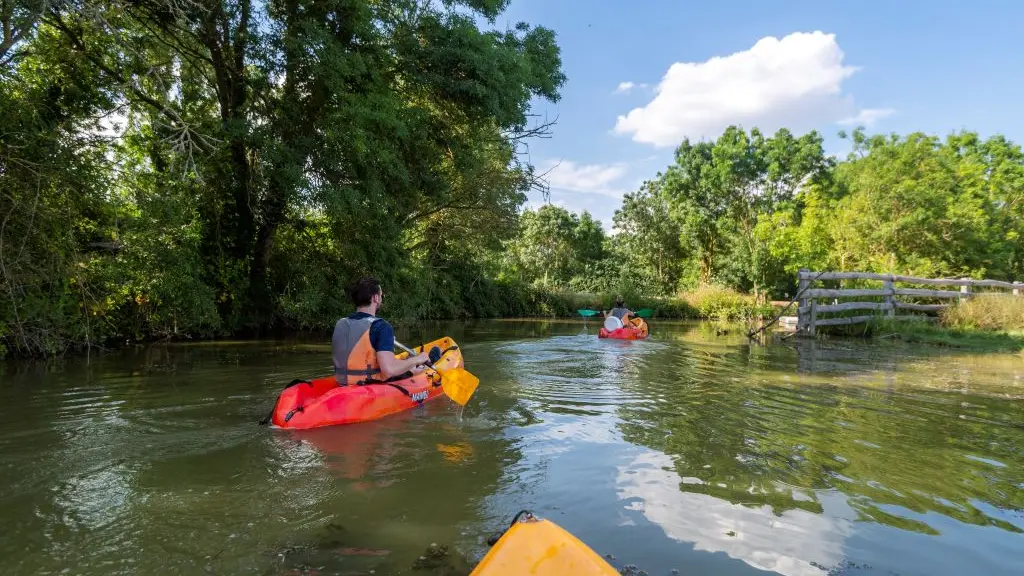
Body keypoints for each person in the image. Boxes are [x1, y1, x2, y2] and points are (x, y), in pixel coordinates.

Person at [332, 277, 430, 385]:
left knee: (409, 364)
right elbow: (389, 370)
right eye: (382, 295)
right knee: (417, 366)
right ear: (376, 298)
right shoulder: (381, 326)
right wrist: (418, 359)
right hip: (369, 386)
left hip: (342, 384)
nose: (382, 298)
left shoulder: (340, 323)